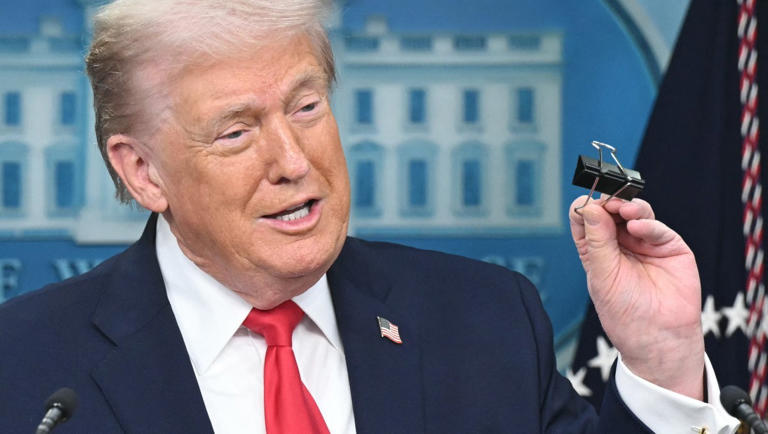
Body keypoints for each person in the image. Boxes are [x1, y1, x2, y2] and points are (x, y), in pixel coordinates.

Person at [0, 0, 743, 432]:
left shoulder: (485, 322)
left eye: (306, 107)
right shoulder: (26, 367)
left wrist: (661, 363)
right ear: (142, 171)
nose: (293, 160)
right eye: (236, 132)